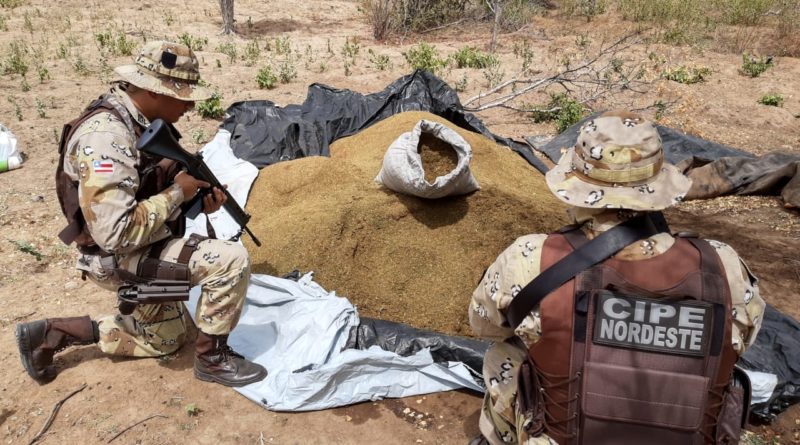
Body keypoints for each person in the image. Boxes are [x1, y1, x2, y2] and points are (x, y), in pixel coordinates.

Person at [469, 111, 765, 444]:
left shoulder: (531, 258)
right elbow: (744, 340)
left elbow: (484, 325)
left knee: (507, 350)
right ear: (657, 185)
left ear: (577, 183)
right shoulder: (722, 265)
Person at [15, 41, 267, 388]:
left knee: (168, 338)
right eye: (183, 96)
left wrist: (193, 200)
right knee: (230, 261)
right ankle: (213, 360)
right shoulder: (106, 138)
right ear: (154, 91)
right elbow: (115, 233)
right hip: (114, 256)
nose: (191, 105)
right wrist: (178, 193)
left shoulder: (137, 120)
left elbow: (144, 189)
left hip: (138, 244)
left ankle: (51, 333)